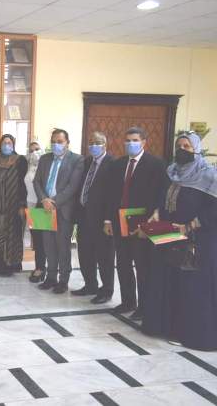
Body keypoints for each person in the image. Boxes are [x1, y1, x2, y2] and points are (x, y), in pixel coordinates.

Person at [142, 132, 217, 350]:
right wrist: (157, 212)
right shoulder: (172, 172)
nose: (182, 149)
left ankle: (189, 333)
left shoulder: (209, 175)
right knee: (168, 281)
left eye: (187, 146)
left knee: (191, 287)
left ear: (197, 149)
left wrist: (190, 225)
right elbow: (162, 199)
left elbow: (213, 210)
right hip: (169, 237)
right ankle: (165, 326)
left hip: (197, 241)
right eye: (179, 145)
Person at [103, 126, 168, 320]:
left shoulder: (156, 164)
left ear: (144, 142)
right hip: (120, 221)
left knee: (142, 266)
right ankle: (128, 301)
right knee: (123, 264)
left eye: (135, 140)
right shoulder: (118, 164)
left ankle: (144, 306)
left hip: (143, 224)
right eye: (128, 140)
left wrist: (151, 220)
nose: (130, 144)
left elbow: (161, 194)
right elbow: (111, 194)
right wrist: (108, 219)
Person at [33, 128, 84, 293]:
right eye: (53, 142)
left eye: (60, 142)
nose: (56, 145)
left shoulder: (77, 160)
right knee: (48, 246)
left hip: (63, 209)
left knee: (62, 247)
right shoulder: (44, 159)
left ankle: (63, 280)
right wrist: (44, 199)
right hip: (44, 208)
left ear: (67, 143)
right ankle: (51, 277)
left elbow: (72, 187)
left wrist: (53, 202)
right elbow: (36, 182)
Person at [72, 132, 115, 304]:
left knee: (104, 256)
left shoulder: (112, 164)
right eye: (91, 142)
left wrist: (108, 220)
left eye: (97, 142)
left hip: (102, 219)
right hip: (84, 215)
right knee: (85, 253)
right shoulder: (87, 161)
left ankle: (107, 290)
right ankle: (90, 285)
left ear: (105, 144)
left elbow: (113, 195)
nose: (93, 146)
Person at [0, 134, 28, 276]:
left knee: (11, 234)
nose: (6, 145)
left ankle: (10, 265)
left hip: (13, 205)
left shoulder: (20, 161)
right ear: (0, 144)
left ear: (13, 145)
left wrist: (22, 204)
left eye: (9, 143)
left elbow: (23, 184)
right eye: (4, 143)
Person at [25, 141, 47, 283]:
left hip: (42, 205)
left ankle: (43, 269)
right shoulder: (28, 165)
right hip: (31, 206)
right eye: (31, 150)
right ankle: (39, 267)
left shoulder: (46, 166)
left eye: (37, 149)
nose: (34, 153)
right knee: (37, 240)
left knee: (44, 240)